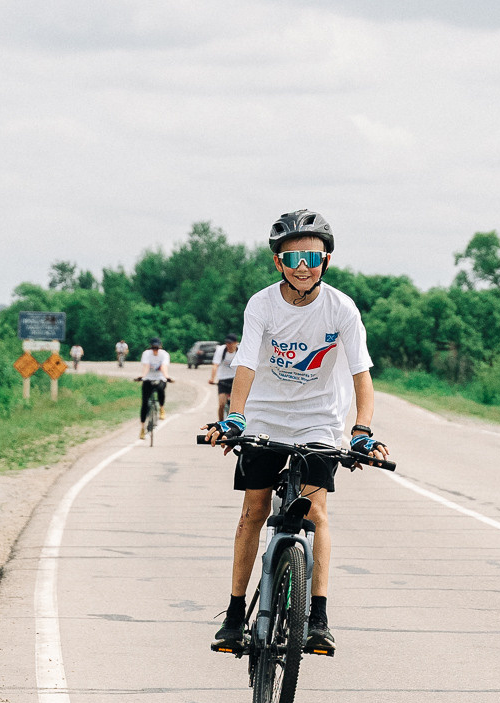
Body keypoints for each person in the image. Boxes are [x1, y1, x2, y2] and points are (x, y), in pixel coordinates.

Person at [200, 211, 386, 658]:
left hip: (319, 418)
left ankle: (318, 617)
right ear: (278, 261)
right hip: (263, 416)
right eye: (292, 257)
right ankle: (233, 614)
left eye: (312, 256)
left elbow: (361, 374)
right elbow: (245, 364)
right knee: (253, 511)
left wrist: (361, 430)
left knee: (316, 512)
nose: (303, 265)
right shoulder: (261, 304)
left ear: (326, 259)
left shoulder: (341, 308)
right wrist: (235, 417)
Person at [137, 338, 171, 438]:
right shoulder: (146, 354)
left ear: (160, 346)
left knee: (161, 389)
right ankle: (142, 428)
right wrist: (142, 376)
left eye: (157, 348)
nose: (155, 350)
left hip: (160, 377)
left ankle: (161, 408)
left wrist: (166, 376)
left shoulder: (164, 354)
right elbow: (146, 366)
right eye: (153, 348)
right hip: (148, 378)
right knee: (144, 403)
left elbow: (164, 366)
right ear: (151, 347)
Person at [208, 333, 239, 407]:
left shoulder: (240, 351)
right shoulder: (221, 350)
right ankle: (221, 419)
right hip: (223, 379)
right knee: (221, 404)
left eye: (230, 343)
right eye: (227, 343)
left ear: (235, 343)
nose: (228, 345)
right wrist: (212, 378)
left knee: (235, 404)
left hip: (235, 379)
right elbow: (215, 365)